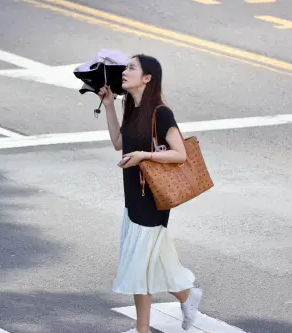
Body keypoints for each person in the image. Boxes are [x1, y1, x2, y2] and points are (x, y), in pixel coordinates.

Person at [98, 54, 203, 333]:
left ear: (147, 78)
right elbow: (118, 142)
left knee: (138, 263)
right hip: (132, 195)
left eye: (131, 68)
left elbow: (179, 154)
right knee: (144, 263)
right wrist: (109, 107)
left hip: (152, 197)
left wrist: (143, 156)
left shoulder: (160, 112)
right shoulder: (130, 106)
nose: (124, 72)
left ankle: (146, 327)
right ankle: (185, 297)